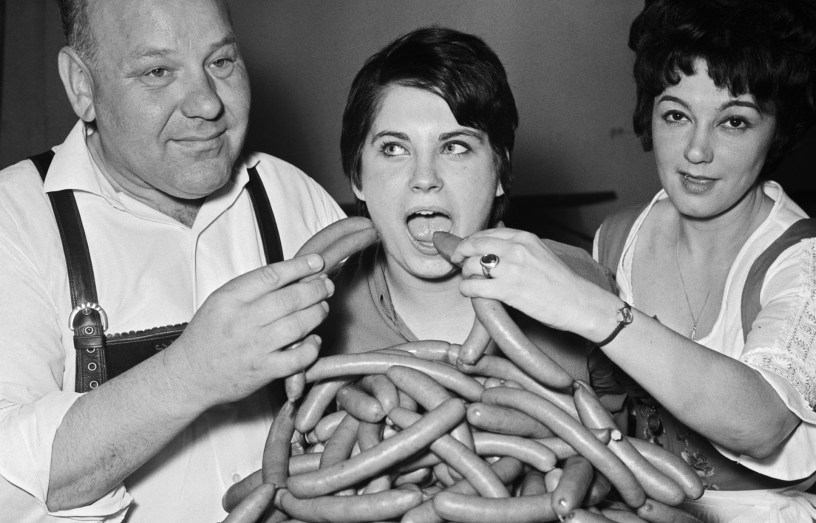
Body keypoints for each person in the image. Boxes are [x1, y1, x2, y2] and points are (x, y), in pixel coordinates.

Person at [449, 0, 816, 520]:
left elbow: (760, 426)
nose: (696, 151)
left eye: (734, 122)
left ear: (778, 129)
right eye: (676, 115)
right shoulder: (617, 238)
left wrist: (584, 306)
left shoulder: (804, 260)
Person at [0, 0, 344, 521]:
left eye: (221, 62)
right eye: (158, 72)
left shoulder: (293, 196)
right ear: (82, 86)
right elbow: (10, 479)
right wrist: (189, 374)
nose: (207, 103)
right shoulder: (15, 221)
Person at [319, 26, 614, 390]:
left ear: (500, 172)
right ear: (357, 177)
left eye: (455, 147)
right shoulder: (318, 317)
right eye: (394, 148)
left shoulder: (584, 283)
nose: (424, 178)